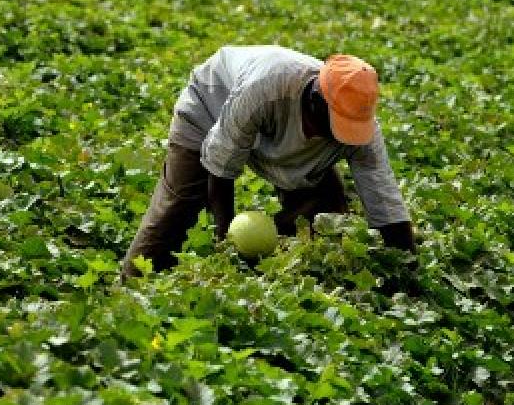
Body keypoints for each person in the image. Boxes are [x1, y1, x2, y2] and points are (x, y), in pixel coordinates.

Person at [120, 45, 415, 280]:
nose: (344, 135)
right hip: (212, 102)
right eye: (339, 125)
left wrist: (408, 266)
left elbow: (385, 202)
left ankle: (274, 268)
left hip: (273, 134)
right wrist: (227, 239)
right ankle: (131, 287)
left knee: (326, 211)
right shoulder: (265, 87)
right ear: (316, 101)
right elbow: (221, 165)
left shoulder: (362, 130)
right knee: (180, 204)